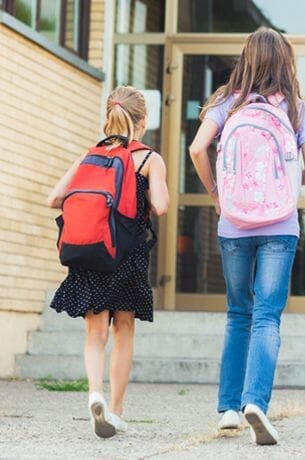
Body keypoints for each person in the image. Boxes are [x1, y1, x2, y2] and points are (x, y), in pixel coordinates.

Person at [188, 28, 305, 445]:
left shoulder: (227, 102)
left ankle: (229, 407)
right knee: (267, 315)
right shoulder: (297, 109)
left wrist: (216, 194)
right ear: (286, 61)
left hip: (233, 226)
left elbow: (196, 149)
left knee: (237, 313)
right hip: (280, 227)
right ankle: (255, 403)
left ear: (245, 59)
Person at [47, 86, 169, 438]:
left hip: (90, 250)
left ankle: (94, 393)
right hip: (126, 255)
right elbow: (160, 206)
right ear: (142, 121)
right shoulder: (147, 158)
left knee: (94, 332)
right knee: (123, 329)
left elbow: (54, 198)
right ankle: (115, 410)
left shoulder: (90, 156)